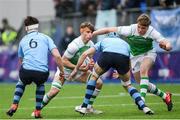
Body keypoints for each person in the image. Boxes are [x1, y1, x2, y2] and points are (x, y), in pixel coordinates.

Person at [92, 13, 173, 111]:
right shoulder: (130, 29)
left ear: (148, 27)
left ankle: (142, 99)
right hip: (134, 57)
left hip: (148, 54)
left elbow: (167, 43)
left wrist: (167, 47)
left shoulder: (152, 32)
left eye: (143, 28)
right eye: (139, 27)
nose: (140, 30)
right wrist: (93, 33)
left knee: (144, 70)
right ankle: (165, 96)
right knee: (143, 84)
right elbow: (108, 29)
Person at [70, 32, 154, 115]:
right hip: (122, 59)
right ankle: (144, 107)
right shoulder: (126, 44)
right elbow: (129, 60)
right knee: (128, 85)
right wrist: (120, 73)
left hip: (107, 56)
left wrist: (76, 69)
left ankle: (84, 106)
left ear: (108, 36)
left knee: (94, 77)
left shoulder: (104, 40)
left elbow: (85, 53)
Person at [6, 16, 64, 118]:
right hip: (42, 73)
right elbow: (57, 56)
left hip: (26, 71)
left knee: (21, 82)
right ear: (37, 27)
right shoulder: (46, 37)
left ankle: (14, 104)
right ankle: (37, 111)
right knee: (40, 84)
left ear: (26, 28)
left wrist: (23, 71)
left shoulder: (23, 40)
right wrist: (62, 71)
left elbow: (21, 60)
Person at [39, 22, 103, 114]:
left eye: (91, 32)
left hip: (79, 72)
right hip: (65, 71)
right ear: (81, 31)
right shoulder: (74, 46)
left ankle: (88, 107)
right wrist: (79, 67)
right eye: (87, 32)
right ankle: (38, 109)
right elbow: (63, 61)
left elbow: (90, 57)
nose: (90, 34)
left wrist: (91, 62)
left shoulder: (91, 44)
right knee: (53, 92)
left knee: (99, 83)